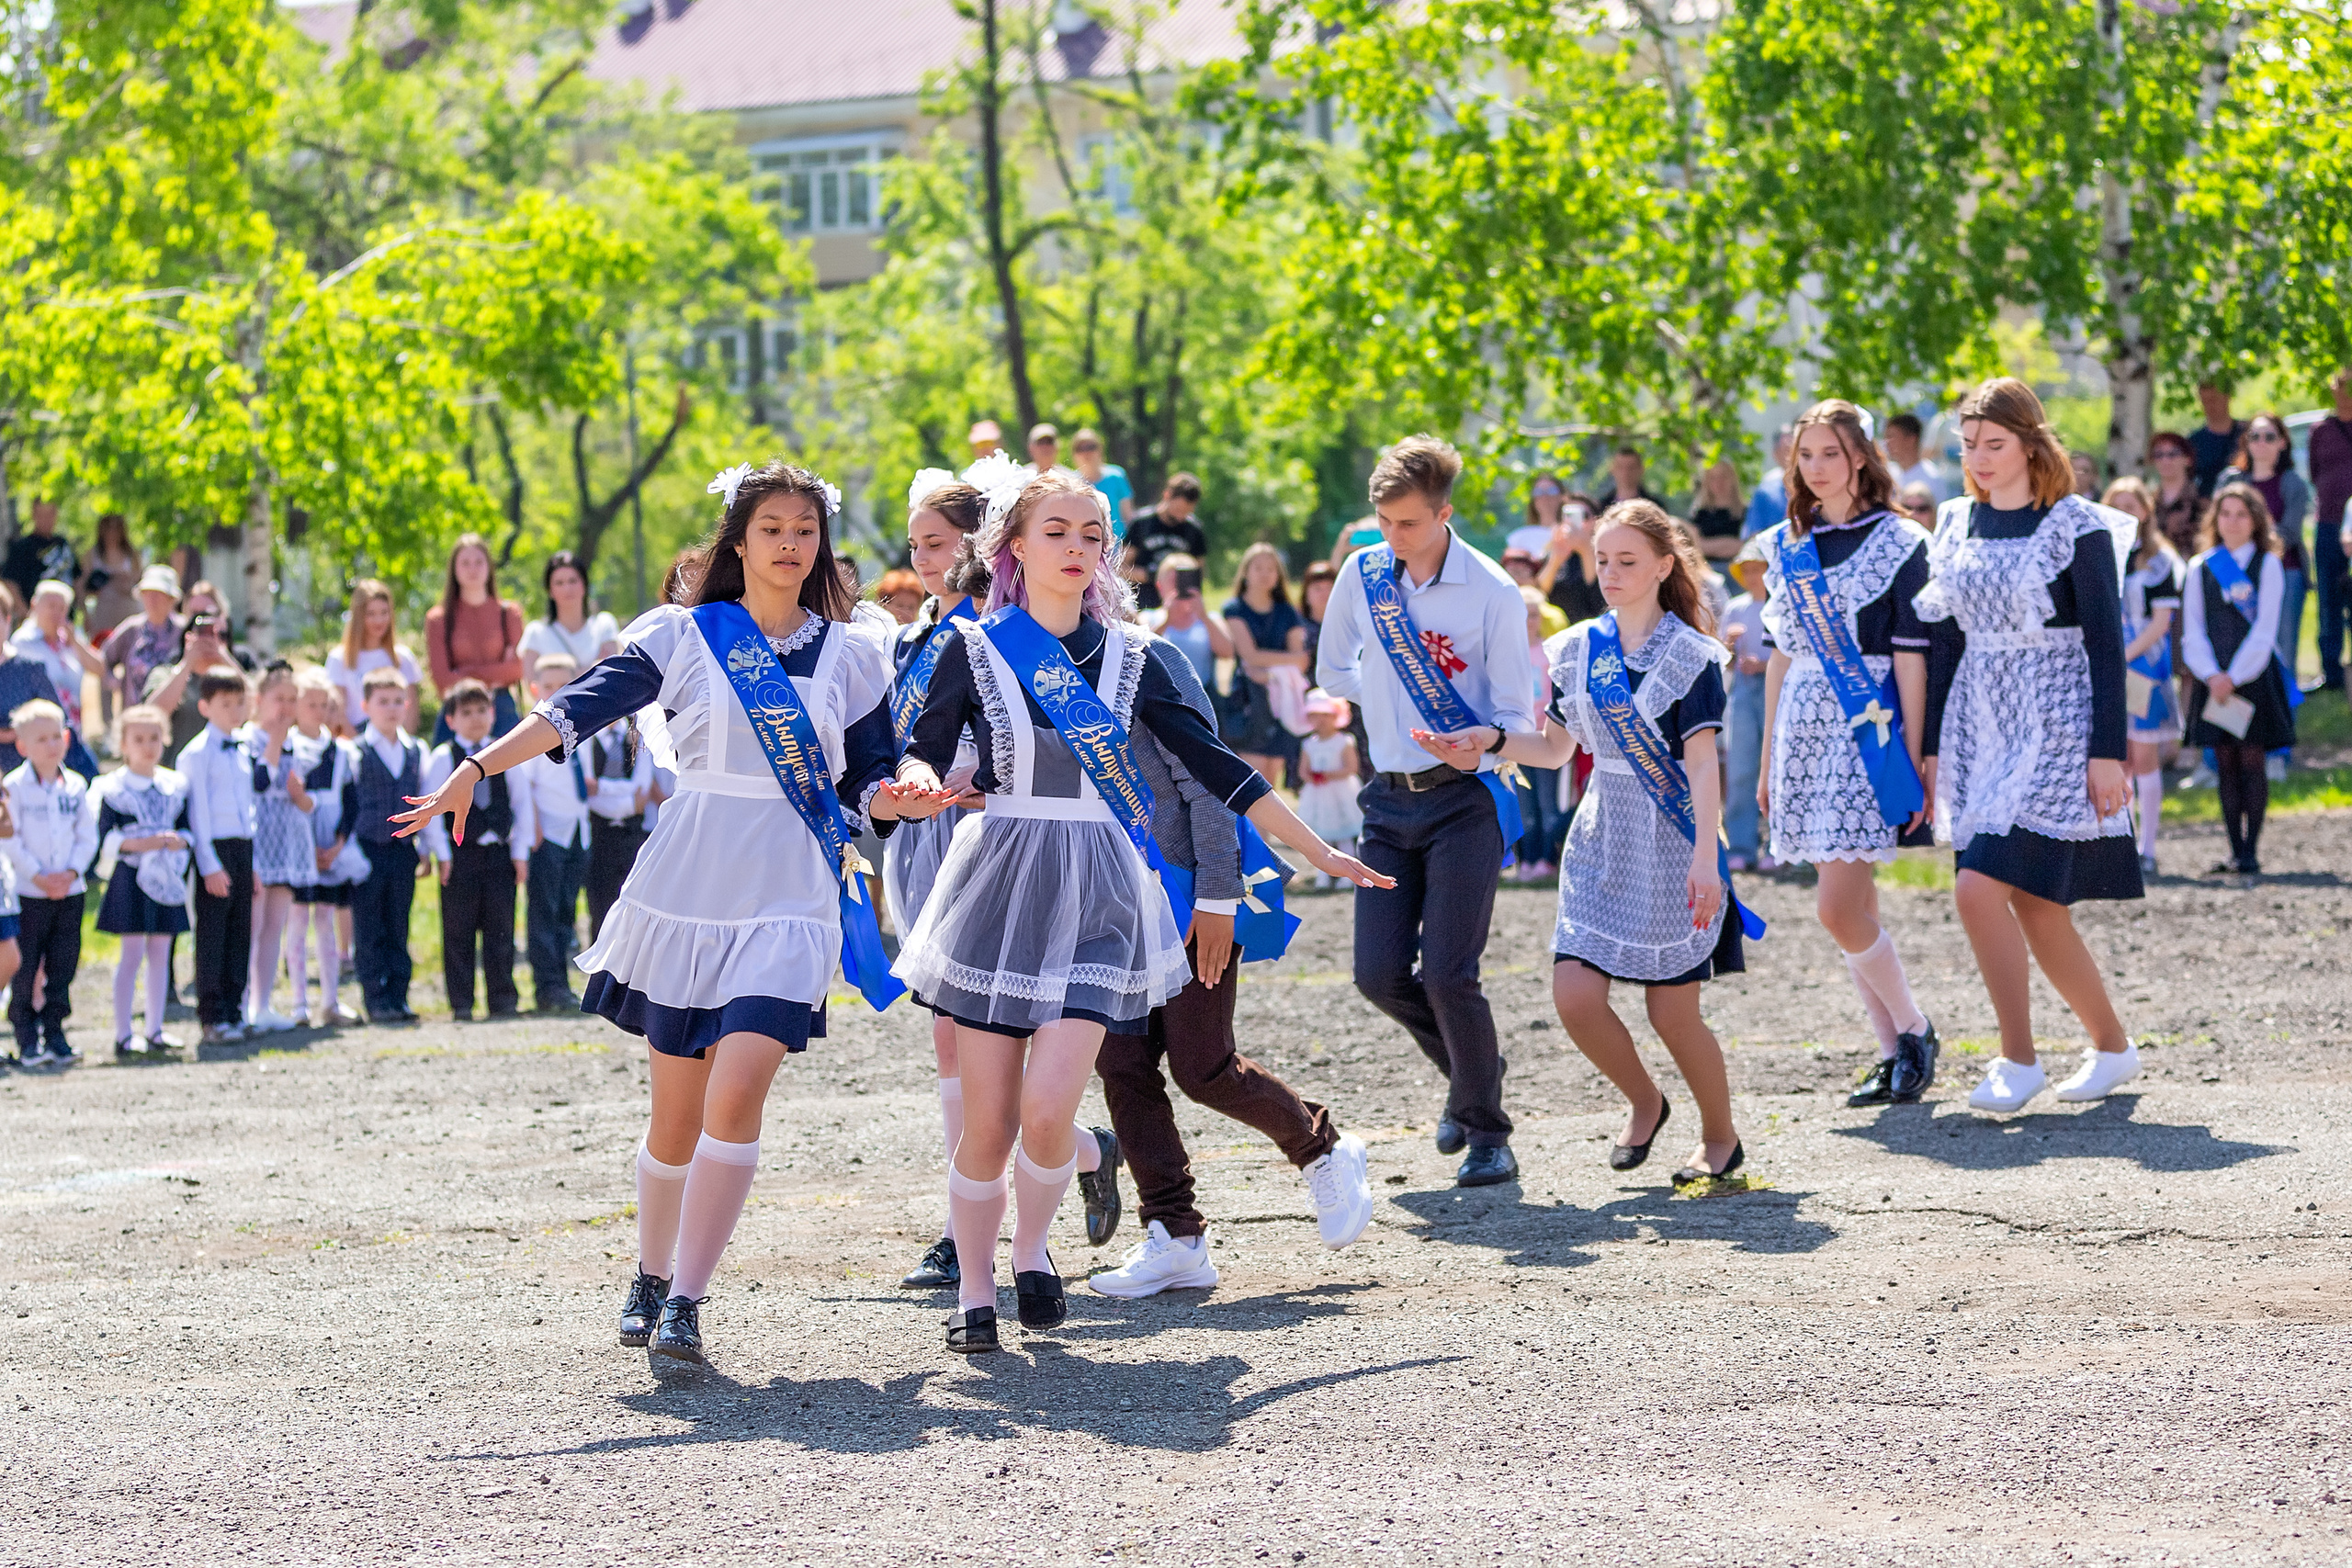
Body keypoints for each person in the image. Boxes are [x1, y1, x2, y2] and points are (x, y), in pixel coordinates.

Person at [392, 458, 924, 1375]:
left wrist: (902, 793)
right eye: (772, 530)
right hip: (689, 883)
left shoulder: (854, 654)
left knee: (736, 1093)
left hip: (791, 890)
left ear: (821, 541)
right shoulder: (684, 637)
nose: (790, 545)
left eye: (805, 529)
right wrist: (475, 769)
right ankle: (648, 1272)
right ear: (739, 541)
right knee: (674, 1119)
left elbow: (870, 775)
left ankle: (686, 1298)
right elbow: (575, 710)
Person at [889, 468, 1384, 1355]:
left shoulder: (1137, 657)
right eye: (1057, 532)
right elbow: (928, 748)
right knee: (989, 1122)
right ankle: (977, 1288)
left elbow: (1218, 766)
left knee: (1049, 1112)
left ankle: (1033, 1245)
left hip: (1102, 893)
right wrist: (919, 784)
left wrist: (1316, 848)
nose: (1077, 548)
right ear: (1014, 548)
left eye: (1092, 533)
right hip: (998, 884)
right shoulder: (973, 647)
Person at [1417, 502, 1749, 1186]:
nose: (1610, 573)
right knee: (1574, 995)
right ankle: (1645, 1100)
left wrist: (1707, 857)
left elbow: (1702, 762)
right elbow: (1557, 747)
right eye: (1602, 560)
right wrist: (1490, 742)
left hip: (1670, 842)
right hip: (1600, 838)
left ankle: (1721, 1138)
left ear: (1664, 566)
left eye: (1627, 561)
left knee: (1672, 1012)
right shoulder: (1579, 648)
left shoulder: (1692, 657)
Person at [1087, 662, 1375, 1302]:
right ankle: (1175, 1234)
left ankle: (1320, 1145)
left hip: (1193, 895)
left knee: (1203, 1065)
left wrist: (1218, 895)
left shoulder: (1145, 658)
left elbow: (1210, 783)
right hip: (1109, 903)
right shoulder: (1019, 659)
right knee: (1122, 1063)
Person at [1917, 377, 2143, 1115]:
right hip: (1980, 723)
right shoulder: (1954, 522)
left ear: (2029, 444)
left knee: (1977, 887)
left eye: (1995, 444)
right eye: (1969, 445)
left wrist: (2108, 750)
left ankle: (2018, 1058)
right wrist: (1930, 747)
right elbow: (1945, 641)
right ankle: (2113, 1046)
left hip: (2058, 718)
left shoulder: (2075, 524)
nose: (1979, 459)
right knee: (2041, 906)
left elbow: (2108, 645)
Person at [1316, 434, 1535, 1188]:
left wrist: (1485, 739)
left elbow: (1518, 716)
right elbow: (1330, 667)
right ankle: (1476, 1071)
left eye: (1407, 523)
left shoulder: (1494, 592)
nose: (1391, 537)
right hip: (1385, 800)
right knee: (1377, 974)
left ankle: (1487, 1134)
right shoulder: (1364, 572)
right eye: (1383, 521)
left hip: (1466, 799)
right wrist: (1381, 695)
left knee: (1447, 971)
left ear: (1444, 513)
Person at [1754, 400, 1939, 1107]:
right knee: (1854, 904)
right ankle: (1892, 1052)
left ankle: (1917, 1030)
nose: (1817, 468)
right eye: (1805, 455)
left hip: (1870, 724)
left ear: (1860, 455)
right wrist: (1771, 758)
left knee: (1838, 908)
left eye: (1830, 453)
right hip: (1803, 724)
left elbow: (1913, 657)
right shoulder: (1785, 545)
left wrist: (1917, 755)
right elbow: (1777, 658)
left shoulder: (1899, 541)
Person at [2183, 483, 2297, 875]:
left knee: (2252, 760)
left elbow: (2266, 629)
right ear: (2215, 519)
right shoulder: (2201, 566)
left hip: (2252, 677)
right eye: (2225, 513)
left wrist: (2234, 676)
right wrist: (2212, 674)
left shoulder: (2267, 564)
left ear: (2256, 521)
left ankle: (2252, 850)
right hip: (2213, 677)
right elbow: (2193, 628)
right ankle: (2233, 850)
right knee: (2224, 762)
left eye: (2241, 514)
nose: (2232, 522)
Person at [419, 679, 526, 1021]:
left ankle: (503, 999)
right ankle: (461, 1003)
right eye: (466, 712)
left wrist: (519, 852)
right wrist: (442, 854)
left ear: (494, 714)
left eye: (482, 710)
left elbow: (522, 805)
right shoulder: (443, 756)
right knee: (458, 930)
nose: (476, 718)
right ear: (451, 720)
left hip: (498, 853)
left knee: (501, 929)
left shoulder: (503, 752)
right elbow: (434, 809)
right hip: (459, 856)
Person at [93, 705, 190, 1057]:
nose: (148, 746)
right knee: (131, 954)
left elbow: (188, 828)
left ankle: (155, 1029)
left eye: (154, 738)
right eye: (139, 739)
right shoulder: (112, 788)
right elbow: (105, 838)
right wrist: (144, 843)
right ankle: (123, 1033)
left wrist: (178, 842)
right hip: (130, 879)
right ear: (123, 744)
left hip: (165, 879)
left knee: (162, 953)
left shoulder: (175, 785)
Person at [4, 700, 95, 1065]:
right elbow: (10, 840)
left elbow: (87, 836)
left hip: (70, 893)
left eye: (56, 736)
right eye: (41, 739)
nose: (51, 745)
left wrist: (71, 873)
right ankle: (26, 1038)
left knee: (63, 964)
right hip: (30, 893)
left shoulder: (75, 785)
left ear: (68, 738)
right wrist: (39, 877)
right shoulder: (13, 787)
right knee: (25, 968)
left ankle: (55, 1033)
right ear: (22, 746)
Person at [2106, 478, 2182, 874]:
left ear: (2146, 510)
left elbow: (2161, 621)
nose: (2125, 513)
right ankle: (2119, 846)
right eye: (2116, 505)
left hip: (2142, 667)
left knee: (2144, 755)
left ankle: (2147, 847)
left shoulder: (2159, 562)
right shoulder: (2101, 555)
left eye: (2131, 505)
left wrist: (2121, 656)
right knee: (2115, 759)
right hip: (2104, 667)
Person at [178, 671, 259, 1045]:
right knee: (212, 934)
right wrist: (209, 864)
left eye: (238, 702)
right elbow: (198, 814)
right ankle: (211, 1016)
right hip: (215, 849)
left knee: (240, 933)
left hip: (243, 848)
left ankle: (234, 1010)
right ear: (205, 707)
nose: (233, 710)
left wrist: (253, 864)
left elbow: (249, 808)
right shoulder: (195, 754)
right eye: (224, 704)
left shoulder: (243, 747)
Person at [510, 652, 593, 1014]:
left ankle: (562, 983)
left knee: (566, 914)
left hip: (577, 830)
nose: (556, 692)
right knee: (543, 913)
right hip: (549, 834)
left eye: (564, 684)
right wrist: (535, 831)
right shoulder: (531, 733)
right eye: (548, 686)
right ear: (533, 690)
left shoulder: (582, 725)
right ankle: (548, 988)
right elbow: (525, 788)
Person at [347, 666, 426, 1025]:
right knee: (369, 929)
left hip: (403, 851)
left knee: (399, 926)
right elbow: (346, 804)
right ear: (366, 705)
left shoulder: (415, 750)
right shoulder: (354, 751)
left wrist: (425, 847)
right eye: (383, 701)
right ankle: (375, 999)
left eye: (398, 701)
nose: (392, 708)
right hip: (368, 850)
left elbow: (424, 803)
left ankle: (399, 996)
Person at [242, 664, 315, 1033]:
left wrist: (301, 797)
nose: (285, 707)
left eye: (291, 699)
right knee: (251, 927)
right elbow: (257, 783)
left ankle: (263, 1004)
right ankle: (239, 1005)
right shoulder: (247, 739)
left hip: (288, 844)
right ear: (260, 700)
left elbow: (310, 802)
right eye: (278, 699)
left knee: (275, 926)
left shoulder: (301, 746)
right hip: (257, 844)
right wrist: (274, 738)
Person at [288, 671, 362, 1028]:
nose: (318, 711)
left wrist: (337, 844)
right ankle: (299, 1004)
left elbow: (351, 802)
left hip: (331, 844)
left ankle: (331, 1001)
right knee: (298, 923)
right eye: (310, 704)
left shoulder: (342, 752)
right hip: (297, 846)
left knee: (327, 924)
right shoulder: (286, 748)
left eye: (324, 705)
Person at [2216, 412, 2311, 682]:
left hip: (2285, 572)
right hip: (2234, 571)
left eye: (2269, 436)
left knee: (2282, 650)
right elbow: (2218, 525)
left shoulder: (2292, 483)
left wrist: (2248, 534)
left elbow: (2290, 533)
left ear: (2282, 443)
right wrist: (2261, 529)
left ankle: (2283, 721)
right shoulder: (2229, 481)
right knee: (2234, 650)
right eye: (2254, 436)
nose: (2261, 442)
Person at [1222, 543, 1309, 786]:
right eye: (1258, 568)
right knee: (1254, 780)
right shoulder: (1234, 609)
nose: (1265, 574)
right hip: (1249, 700)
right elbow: (1249, 655)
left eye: (1271, 569)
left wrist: (1269, 673)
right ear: (1246, 572)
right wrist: (1284, 662)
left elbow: (1301, 659)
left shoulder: (1288, 612)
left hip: (1282, 700)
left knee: (1273, 777)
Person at [424, 536, 525, 742]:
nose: (473, 569)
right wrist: (495, 673)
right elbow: (442, 678)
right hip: (457, 711)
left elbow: (517, 669)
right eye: (465, 563)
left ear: (489, 566)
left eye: (479, 562)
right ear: (454, 569)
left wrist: (465, 672)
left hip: (502, 710)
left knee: (511, 773)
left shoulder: (509, 614)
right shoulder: (438, 619)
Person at [11, 579, 107, 772]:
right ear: (35, 605)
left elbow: (99, 669)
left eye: (62, 608)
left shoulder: (69, 639)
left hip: (73, 729)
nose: (57, 613)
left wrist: (75, 641)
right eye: (51, 606)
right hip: (42, 734)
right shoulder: (22, 642)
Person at [1720, 541, 1770, 870]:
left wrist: (1765, 667)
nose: (1753, 577)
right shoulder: (1735, 609)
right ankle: (1741, 844)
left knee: (1776, 768)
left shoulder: (1782, 606)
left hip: (1773, 689)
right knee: (1740, 767)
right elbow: (1724, 662)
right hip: (1741, 690)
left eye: (1759, 570)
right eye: (1747, 571)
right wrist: (1729, 648)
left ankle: (1780, 846)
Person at [1510, 585, 1566, 878]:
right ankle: (1527, 860)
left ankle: (1548, 859)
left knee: (1547, 802)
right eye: (1525, 614)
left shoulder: (1550, 652)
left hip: (1546, 736)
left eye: (1534, 614)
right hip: (1519, 739)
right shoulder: (1507, 651)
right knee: (1524, 804)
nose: (1530, 620)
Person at [323, 580, 421, 736]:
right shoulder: (339, 659)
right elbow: (338, 713)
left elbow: (411, 713)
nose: (379, 620)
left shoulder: (402, 657)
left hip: (396, 741)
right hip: (355, 741)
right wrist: (362, 750)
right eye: (371, 614)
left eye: (384, 613)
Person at [2306, 371, 2352, 693]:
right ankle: (2331, 672)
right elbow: (2314, 472)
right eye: (2339, 384)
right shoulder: (2320, 431)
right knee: (2328, 599)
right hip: (2328, 524)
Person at [79, 513, 141, 742]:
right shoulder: (92, 555)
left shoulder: (131, 555)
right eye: (108, 528)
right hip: (104, 614)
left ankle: (130, 720)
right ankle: (107, 728)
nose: (112, 533)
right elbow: (83, 587)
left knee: (132, 665)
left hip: (129, 611)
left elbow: (138, 582)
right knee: (103, 666)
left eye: (117, 527)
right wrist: (86, 614)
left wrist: (124, 582)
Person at [1292, 690, 1364, 886]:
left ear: (1337, 716)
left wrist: (1328, 775)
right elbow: (1302, 770)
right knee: (1321, 837)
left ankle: (1348, 876)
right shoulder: (1308, 743)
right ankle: (1323, 876)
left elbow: (1351, 768)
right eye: (1315, 715)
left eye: (1326, 715)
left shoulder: (1344, 741)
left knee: (1343, 835)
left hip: (1340, 793)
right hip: (1319, 795)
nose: (1321, 720)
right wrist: (1312, 776)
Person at [105, 566, 184, 736]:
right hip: (135, 720)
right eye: (147, 593)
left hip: (175, 722)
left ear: (171, 599)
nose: (152, 600)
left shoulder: (183, 631)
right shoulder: (132, 629)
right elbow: (105, 658)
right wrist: (112, 680)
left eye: (158, 594)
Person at [519, 551, 621, 676]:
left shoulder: (604, 625)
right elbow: (533, 684)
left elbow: (611, 674)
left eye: (573, 581)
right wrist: (593, 669)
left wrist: (558, 679)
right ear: (549, 590)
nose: (567, 588)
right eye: (559, 583)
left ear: (584, 585)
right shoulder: (536, 632)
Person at [1142, 554, 1230, 691]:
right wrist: (1166, 622)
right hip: (1162, 694)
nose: (1180, 587)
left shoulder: (1211, 619)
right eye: (1174, 581)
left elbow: (1227, 653)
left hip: (1203, 694)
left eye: (1186, 581)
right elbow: (1140, 651)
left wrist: (1203, 616)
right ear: (1159, 586)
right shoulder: (1149, 618)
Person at [1121, 473, 1208, 611]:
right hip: (1144, 603)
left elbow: (1198, 573)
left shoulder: (1193, 530)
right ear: (1167, 495)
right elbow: (1122, 569)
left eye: (1186, 512)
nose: (1180, 517)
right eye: (1178, 510)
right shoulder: (1141, 523)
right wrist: (1153, 575)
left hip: (1179, 607)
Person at [1538, 492, 1608, 626]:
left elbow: (1597, 594)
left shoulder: (1606, 553)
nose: (1573, 521)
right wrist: (1556, 560)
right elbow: (1540, 593)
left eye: (1584, 515)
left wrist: (1586, 550)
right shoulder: (1552, 552)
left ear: (1595, 521)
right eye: (1567, 515)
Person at [3, 500, 78, 610]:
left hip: (64, 617)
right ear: (33, 515)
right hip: (36, 615)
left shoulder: (63, 544)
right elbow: (10, 582)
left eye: (50, 514)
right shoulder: (22, 547)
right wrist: (25, 613)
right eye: (41, 515)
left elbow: (77, 578)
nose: (46, 519)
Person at [1069, 429, 1132, 540]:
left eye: (1091, 447)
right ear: (1074, 454)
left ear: (1100, 449)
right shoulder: (1070, 482)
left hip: (1118, 545)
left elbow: (1128, 516)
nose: (1086, 452)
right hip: (1085, 544)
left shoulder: (1116, 476)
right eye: (1080, 449)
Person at [2186, 384, 2245, 498]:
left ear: (2227, 397)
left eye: (2214, 399)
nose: (2210, 405)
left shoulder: (2247, 434)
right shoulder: (2194, 442)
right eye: (2205, 401)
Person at [1688, 458, 1747, 566]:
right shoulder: (1699, 514)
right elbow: (1697, 546)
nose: (1719, 482)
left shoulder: (1746, 513)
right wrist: (1731, 543)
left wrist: (1711, 545)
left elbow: (1749, 546)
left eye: (1724, 477)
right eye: (1713, 478)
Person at [1882, 412, 1948, 502]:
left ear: (1911, 439)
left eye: (1891, 437)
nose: (1887, 443)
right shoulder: (1887, 475)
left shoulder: (1932, 479)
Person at [1744, 425, 1795, 538]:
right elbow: (1754, 535)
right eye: (1787, 450)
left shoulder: (1818, 486)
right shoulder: (1765, 492)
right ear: (1775, 454)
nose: (1792, 455)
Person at [1506, 473, 1567, 560]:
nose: (1545, 497)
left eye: (1552, 491)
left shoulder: (1570, 534)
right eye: (1538, 492)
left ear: (1562, 496)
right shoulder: (1519, 537)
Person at [1599, 445, 1658, 512]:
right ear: (1612, 469)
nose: (1625, 472)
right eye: (1620, 467)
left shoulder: (1654, 506)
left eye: (1631, 467)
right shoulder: (1602, 506)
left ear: (1641, 469)